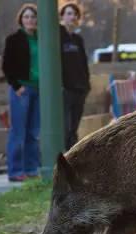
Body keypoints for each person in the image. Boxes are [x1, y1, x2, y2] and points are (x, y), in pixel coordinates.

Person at [2, 3, 40, 182]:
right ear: (21, 20)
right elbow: (6, 66)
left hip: (39, 90)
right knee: (18, 132)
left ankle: (31, 169)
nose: (30, 20)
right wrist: (17, 86)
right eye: (26, 17)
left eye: (33, 17)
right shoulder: (14, 39)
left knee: (33, 132)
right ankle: (16, 171)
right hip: (22, 90)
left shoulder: (42, 39)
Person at [60, 2, 90, 150]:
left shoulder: (78, 39)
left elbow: (84, 64)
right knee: (65, 127)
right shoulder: (58, 36)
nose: (72, 17)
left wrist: (87, 85)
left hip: (80, 89)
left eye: (75, 14)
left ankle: (72, 159)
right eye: (69, 13)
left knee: (74, 127)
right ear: (62, 16)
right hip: (65, 88)